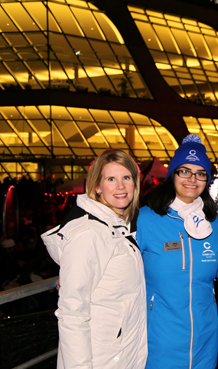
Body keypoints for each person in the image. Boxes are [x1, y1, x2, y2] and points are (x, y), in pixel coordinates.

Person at [42, 149, 147, 368]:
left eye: (126, 178)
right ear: (97, 186)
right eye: (111, 179)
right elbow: (72, 313)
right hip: (100, 360)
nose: (120, 186)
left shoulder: (119, 228)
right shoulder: (89, 233)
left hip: (120, 356)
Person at [136, 134, 218, 369]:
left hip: (205, 341)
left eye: (200, 173)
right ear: (172, 175)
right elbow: (114, 260)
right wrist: (73, 278)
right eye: (184, 171)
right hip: (159, 341)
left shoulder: (215, 223)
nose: (192, 179)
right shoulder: (145, 220)